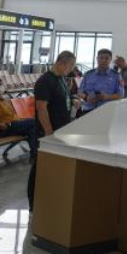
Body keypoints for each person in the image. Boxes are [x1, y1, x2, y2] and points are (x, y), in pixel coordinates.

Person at [31, 51, 77, 211]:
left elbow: (62, 99)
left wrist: (73, 102)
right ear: (62, 63)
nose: (71, 70)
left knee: (52, 168)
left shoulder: (61, 80)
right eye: (71, 66)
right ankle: (34, 206)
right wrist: (48, 132)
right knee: (39, 169)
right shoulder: (45, 81)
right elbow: (41, 109)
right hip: (47, 132)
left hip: (60, 129)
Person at [0, 76, 39, 167]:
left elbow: (11, 115)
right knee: (34, 122)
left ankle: (34, 155)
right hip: (4, 128)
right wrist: (1, 125)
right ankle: (35, 154)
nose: (2, 86)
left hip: (14, 125)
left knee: (32, 129)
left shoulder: (2, 100)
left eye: (2, 84)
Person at [78, 49, 123, 114]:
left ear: (110, 60)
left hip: (107, 111)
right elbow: (80, 92)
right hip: (88, 110)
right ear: (97, 59)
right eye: (101, 58)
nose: (103, 60)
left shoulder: (117, 76)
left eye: (107, 58)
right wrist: (87, 97)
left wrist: (107, 97)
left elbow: (120, 95)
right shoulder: (88, 74)